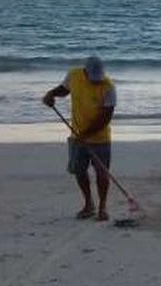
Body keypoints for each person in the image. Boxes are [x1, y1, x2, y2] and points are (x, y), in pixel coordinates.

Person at [43, 56, 116, 221]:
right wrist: (51, 94)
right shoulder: (74, 76)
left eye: (99, 78)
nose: (97, 81)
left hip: (100, 138)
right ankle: (89, 204)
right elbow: (64, 89)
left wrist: (86, 134)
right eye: (94, 78)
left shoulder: (109, 87)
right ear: (85, 72)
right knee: (79, 170)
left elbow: (105, 118)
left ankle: (102, 207)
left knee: (102, 173)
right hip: (76, 135)